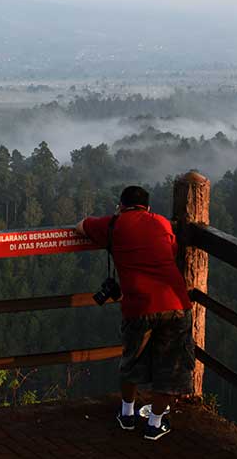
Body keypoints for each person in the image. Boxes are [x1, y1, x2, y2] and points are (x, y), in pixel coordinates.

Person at [76, 185, 194, 441]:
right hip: (174, 302)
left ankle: (127, 414)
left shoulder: (113, 225)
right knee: (170, 366)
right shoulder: (162, 222)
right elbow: (171, 251)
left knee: (132, 360)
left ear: (120, 205)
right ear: (148, 207)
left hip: (138, 306)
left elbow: (81, 226)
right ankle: (154, 423)